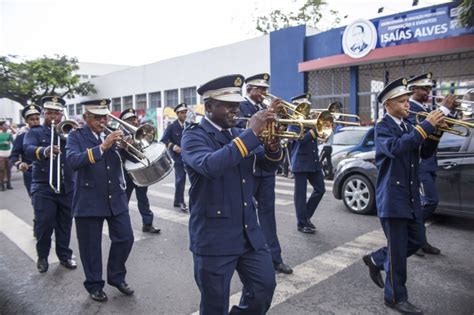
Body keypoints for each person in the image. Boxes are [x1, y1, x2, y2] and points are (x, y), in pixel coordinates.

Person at [181, 74, 282, 314]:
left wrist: (273, 145)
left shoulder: (238, 133)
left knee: (264, 288)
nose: (235, 109)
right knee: (214, 306)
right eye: (227, 104)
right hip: (214, 237)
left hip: (249, 232)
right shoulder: (194, 135)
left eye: (236, 104)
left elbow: (268, 166)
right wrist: (251, 134)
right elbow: (210, 166)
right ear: (208, 106)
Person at [362, 77, 445, 314]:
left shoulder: (409, 126)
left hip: (409, 195)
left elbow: (424, 152)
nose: (407, 105)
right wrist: (425, 127)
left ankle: (377, 259)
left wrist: (435, 133)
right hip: (392, 197)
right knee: (398, 253)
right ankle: (396, 298)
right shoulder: (383, 127)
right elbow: (397, 148)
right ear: (388, 104)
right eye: (402, 101)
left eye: (408, 100)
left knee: (418, 239)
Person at [66, 99, 134, 302]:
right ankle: (94, 284)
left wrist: (129, 146)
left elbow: (129, 161)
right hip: (89, 199)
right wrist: (103, 146)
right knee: (90, 247)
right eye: (97, 117)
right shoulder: (75, 136)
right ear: (86, 117)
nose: (102, 121)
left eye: (105, 117)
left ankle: (116, 276)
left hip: (116, 198)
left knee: (125, 238)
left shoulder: (113, 134)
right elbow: (73, 161)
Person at [238, 73, 293, 274]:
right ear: (249, 90)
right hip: (249, 168)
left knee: (268, 215)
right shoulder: (241, 107)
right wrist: (271, 111)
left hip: (266, 169)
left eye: (264, 89)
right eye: (259, 89)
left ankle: (275, 258)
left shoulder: (264, 108)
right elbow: (241, 131)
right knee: (245, 216)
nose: (263, 93)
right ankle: (247, 258)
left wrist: (284, 118)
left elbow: (276, 131)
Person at [23, 96, 77, 273]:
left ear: (62, 114)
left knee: (65, 224)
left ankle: (64, 256)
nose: (53, 116)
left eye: (57, 113)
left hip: (67, 185)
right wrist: (44, 151)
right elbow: (28, 149)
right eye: (50, 112)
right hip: (44, 185)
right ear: (44, 113)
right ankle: (43, 257)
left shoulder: (69, 131)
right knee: (44, 223)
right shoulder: (36, 132)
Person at [407, 72, 456, 256]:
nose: (428, 91)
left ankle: (420, 241)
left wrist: (451, 111)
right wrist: (443, 109)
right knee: (429, 202)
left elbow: (441, 130)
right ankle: (412, 235)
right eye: (424, 88)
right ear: (413, 89)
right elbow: (419, 133)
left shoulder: (426, 110)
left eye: (429, 87)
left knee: (425, 203)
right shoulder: (411, 109)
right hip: (419, 163)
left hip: (429, 161)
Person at [288, 93, 325, 234]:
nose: (307, 109)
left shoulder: (312, 120)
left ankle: (305, 217)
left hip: (313, 161)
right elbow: (300, 139)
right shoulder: (293, 123)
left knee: (320, 189)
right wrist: (315, 131)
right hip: (301, 162)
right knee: (300, 195)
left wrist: (321, 131)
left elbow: (317, 137)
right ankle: (302, 223)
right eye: (304, 106)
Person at [119, 108, 161, 233]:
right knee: (124, 199)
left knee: (143, 198)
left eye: (134, 119)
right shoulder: (118, 133)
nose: (134, 121)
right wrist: (124, 146)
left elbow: (147, 146)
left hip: (140, 168)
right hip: (126, 171)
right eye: (130, 120)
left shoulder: (139, 132)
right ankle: (122, 226)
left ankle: (147, 224)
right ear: (123, 121)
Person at [161, 103, 189, 212]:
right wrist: (173, 146)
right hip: (177, 157)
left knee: (190, 179)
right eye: (182, 113)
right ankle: (181, 201)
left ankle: (177, 201)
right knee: (180, 179)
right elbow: (164, 140)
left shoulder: (189, 125)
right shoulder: (172, 127)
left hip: (188, 155)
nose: (184, 114)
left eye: (185, 112)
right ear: (177, 114)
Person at [10, 105, 41, 196]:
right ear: (26, 121)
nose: (35, 121)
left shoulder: (47, 133)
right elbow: (14, 155)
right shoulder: (22, 136)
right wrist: (20, 163)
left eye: (37, 119)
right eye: (32, 119)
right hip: (31, 173)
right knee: (36, 202)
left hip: (48, 173)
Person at [0, 119, 14, 191]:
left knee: (8, 169)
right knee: (1, 169)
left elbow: (14, 143)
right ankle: (2, 184)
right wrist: (2, 143)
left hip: (8, 153)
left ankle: (8, 183)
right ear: (1, 127)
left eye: (6, 125)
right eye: (4, 125)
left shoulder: (9, 134)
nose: (6, 126)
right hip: (1, 154)